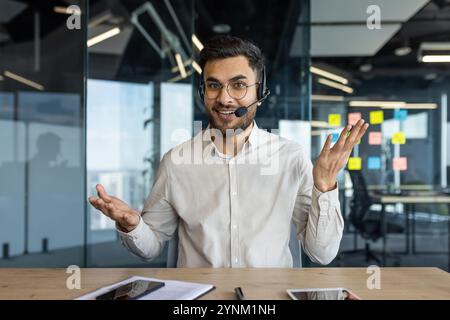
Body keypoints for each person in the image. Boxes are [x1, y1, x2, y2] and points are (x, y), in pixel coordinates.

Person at [88, 35, 369, 267]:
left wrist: (325, 186)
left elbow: (322, 253)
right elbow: (150, 247)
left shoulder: (290, 158)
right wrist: (132, 225)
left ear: (260, 92)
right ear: (203, 91)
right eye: (214, 85)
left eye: (238, 85)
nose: (224, 98)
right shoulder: (177, 162)